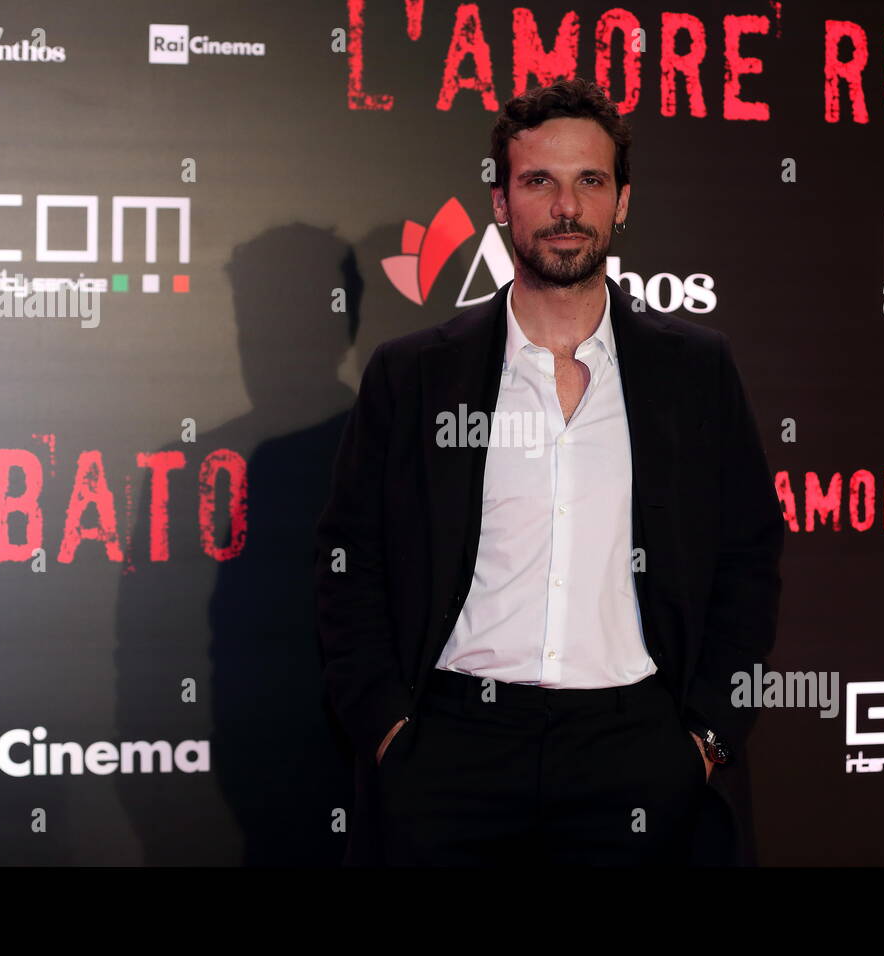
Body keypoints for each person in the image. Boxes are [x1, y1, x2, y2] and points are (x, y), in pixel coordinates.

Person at [315, 76, 784, 866]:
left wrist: (705, 737)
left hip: (639, 749)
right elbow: (348, 563)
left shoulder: (695, 370)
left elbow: (747, 558)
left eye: (589, 181)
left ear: (621, 201)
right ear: (501, 203)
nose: (566, 206)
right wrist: (390, 731)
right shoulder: (413, 376)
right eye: (539, 181)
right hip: (454, 751)